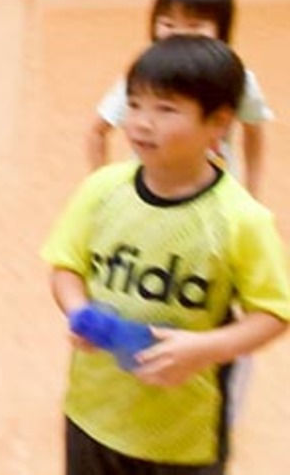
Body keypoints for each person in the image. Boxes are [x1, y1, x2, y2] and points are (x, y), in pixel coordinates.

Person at [43, 35, 290, 474]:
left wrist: (206, 348)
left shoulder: (241, 219)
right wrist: (79, 310)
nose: (141, 123)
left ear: (218, 123)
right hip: (92, 413)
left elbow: (273, 313)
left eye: (166, 109)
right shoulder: (101, 190)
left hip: (182, 435)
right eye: (134, 105)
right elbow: (66, 265)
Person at [86, 0, 272, 199]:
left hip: (215, 197)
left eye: (194, 25)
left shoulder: (238, 79)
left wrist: (253, 192)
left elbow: (253, 133)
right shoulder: (143, 79)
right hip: (147, 195)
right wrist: (105, 193)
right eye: (168, 24)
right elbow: (96, 132)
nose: (179, 34)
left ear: (221, 31)